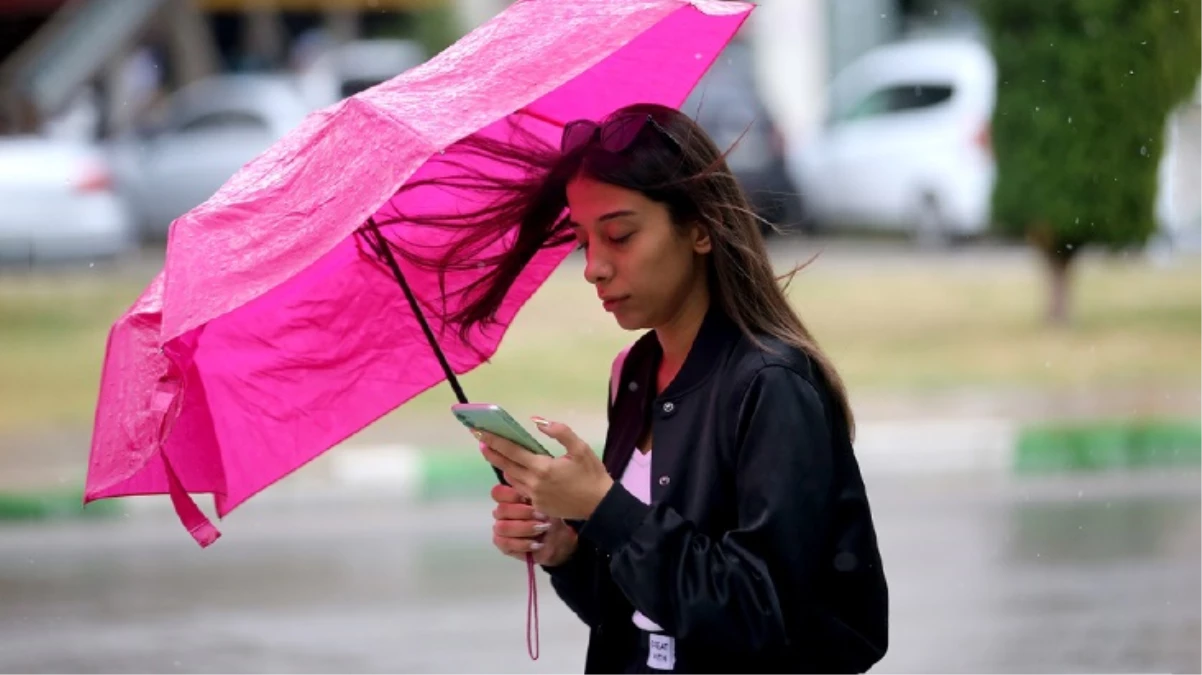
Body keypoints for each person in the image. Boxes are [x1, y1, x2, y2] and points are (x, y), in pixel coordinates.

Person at [399, 103, 888, 674]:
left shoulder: (771, 385)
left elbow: (763, 615)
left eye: (620, 235)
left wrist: (604, 508)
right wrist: (565, 551)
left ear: (700, 228)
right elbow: (641, 617)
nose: (594, 267)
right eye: (583, 241)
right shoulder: (633, 373)